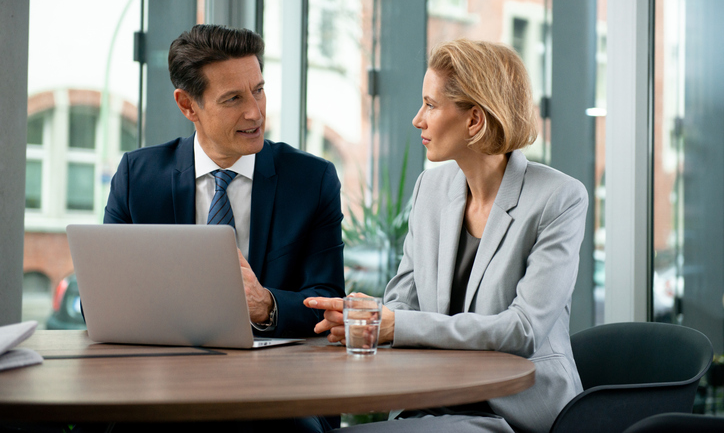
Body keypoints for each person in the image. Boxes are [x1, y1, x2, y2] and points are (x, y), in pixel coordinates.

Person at [305, 39, 588, 433]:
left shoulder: (558, 198)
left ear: (474, 120)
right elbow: (404, 301)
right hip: (429, 399)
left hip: (511, 412)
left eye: (431, 105)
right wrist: (366, 316)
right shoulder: (431, 188)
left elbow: (522, 330)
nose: (418, 119)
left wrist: (396, 325)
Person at [104, 24, 345, 341]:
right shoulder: (137, 177)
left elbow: (328, 301)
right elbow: (102, 298)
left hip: (274, 375)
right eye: (233, 99)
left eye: (258, 90)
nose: (255, 113)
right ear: (188, 105)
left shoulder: (312, 180)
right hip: (162, 370)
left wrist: (266, 306)